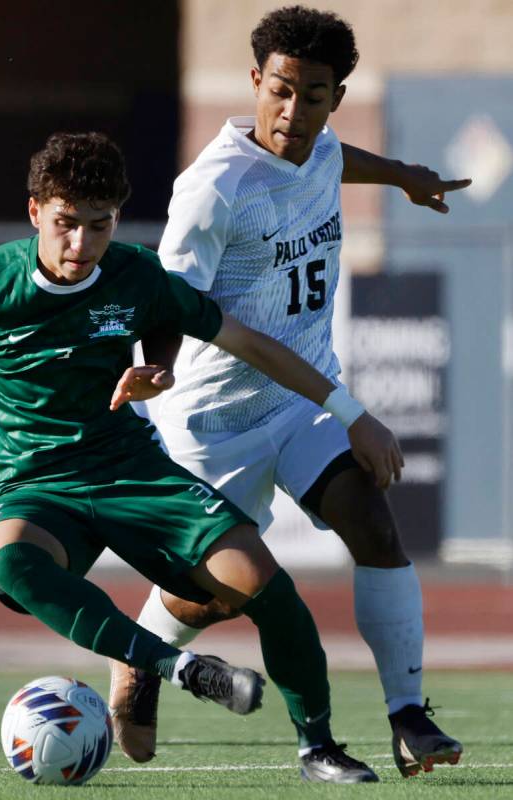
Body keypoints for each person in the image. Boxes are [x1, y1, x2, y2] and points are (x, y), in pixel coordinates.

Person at [0, 131, 403, 782]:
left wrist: (350, 414)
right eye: (65, 225)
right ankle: (172, 665)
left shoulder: (134, 274)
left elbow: (248, 343)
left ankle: (317, 748)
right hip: (37, 486)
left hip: (134, 473)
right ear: (34, 214)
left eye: (97, 225)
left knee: (266, 589)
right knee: (11, 562)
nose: (80, 244)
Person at [109, 5, 468, 779]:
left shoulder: (321, 146)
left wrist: (404, 176)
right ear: (254, 82)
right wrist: (158, 363)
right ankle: (138, 660)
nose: (292, 111)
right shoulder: (213, 187)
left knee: (371, 523)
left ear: (334, 97)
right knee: (214, 598)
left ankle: (407, 717)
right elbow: (173, 299)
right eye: (279, 91)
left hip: (299, 399)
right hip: (211, 420)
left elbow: (337, 159)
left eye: (312, 95)